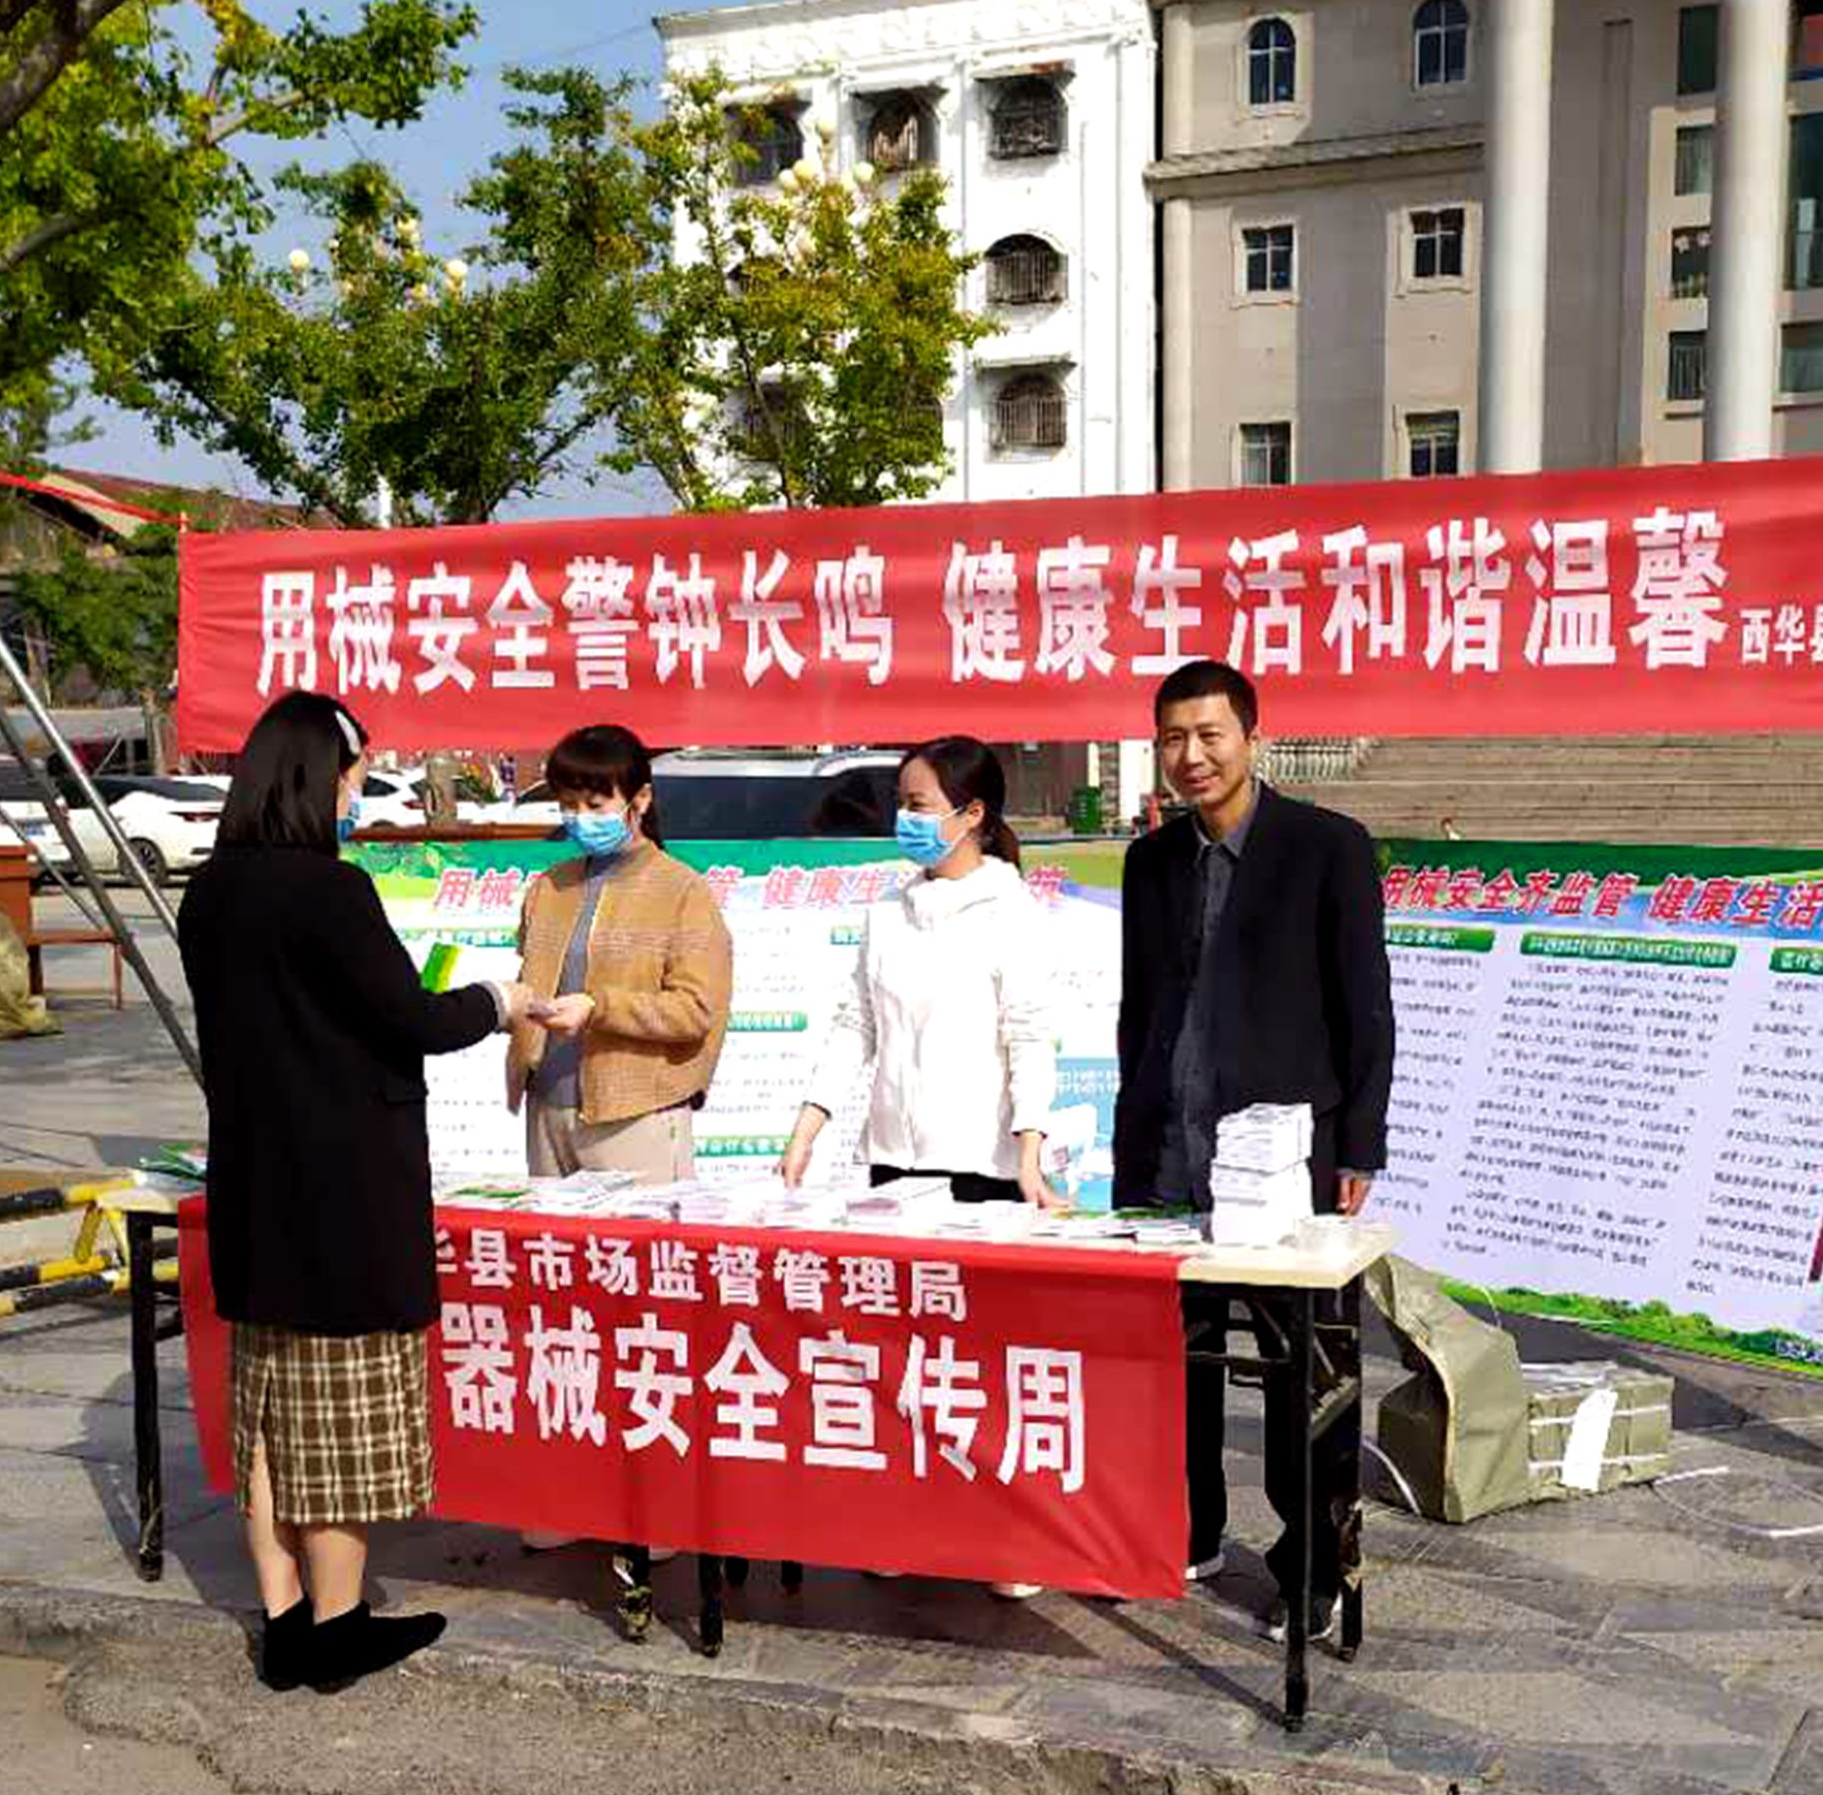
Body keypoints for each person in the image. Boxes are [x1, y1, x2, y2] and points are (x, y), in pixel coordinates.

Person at [178, 691, 530, 1694]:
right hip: (342, 1197)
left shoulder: (210, 892)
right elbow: (410, 1018)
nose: (355, 796)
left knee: (265, 1413)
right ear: (316, 778)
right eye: (353, 777)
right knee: (338, 1418)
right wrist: (497, 1001)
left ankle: (284, 1614)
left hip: (255, 1189)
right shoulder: (329, 892)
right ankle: (338, 1627)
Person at [1112, 659, 1394, 1644]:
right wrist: (1132, 1132)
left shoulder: (1327, 847)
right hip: (1169, 1154)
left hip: (1283, 1163)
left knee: (1299, 1375)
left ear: (1252, 739)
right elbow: (1140, 1009)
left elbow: (1365, 1008)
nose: (1191, 755)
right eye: (1172, 738)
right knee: (1173, 1363)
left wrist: (1358, 1144)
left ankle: (1313, 1563)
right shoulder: (1151, 861)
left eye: (1209, 735)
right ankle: (1189, 1529)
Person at [779, 735, 1062, 1600]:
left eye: (918, 804)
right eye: (900, 803)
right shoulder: (889, 913)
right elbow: (854, 1026)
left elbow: (1030, 1033)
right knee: (903, 1354)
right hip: (893, 1167)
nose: (903, 819)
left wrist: (1029, 1148)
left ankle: (1005, 1537)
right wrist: (809, 1124)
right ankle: (909, 1519)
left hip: (980, 1167)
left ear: (972, 814)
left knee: (985, 1359)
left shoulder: (1011, 911)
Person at [505, 723, 734, 1183]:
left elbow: (695, 1011)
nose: (579, 818)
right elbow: (533, 978)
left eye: (595, 805)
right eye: (568, 805)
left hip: (636, 1113)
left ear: (640, 799)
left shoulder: (681, 889)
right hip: (547, 1107)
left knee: (640, 1233)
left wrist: (598, 1008)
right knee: (550, 1232)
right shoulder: (550, 885)